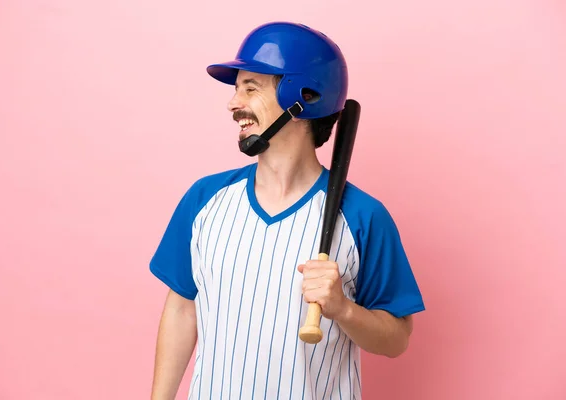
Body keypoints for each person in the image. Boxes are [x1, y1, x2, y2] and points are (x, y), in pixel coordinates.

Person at [148, 21, 425, 400]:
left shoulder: (362, 216)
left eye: (251, 87)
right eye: (236, 88)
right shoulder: (204, 199)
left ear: (303, 95)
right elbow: (182, 310)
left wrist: (343, 309)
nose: (233, 103)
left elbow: (396, 340)